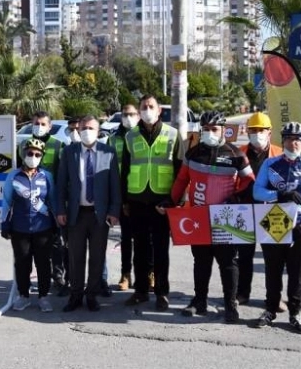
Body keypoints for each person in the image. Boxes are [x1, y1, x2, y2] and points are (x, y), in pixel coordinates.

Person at [170, 111, 255, 323]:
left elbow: (249, 182)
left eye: (214, 129)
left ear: (223, 130)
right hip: (198, 216)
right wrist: (171, 201)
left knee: (228, 263)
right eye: (206, 129)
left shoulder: (236, 154)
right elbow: (181, 180)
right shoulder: (193, 153)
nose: (210, 133)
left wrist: (237, 198)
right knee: (201, 262)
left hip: (225, 217)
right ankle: (200, 301)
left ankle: (230, 305)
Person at [253, 121, 301, 334]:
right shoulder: (270, 165)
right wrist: (279, 194)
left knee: (296, 274)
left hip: (300, 227)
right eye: (289, 138)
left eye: (298, 139)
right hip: (274, 224)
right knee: (272, 271)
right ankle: (270, 309)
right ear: (282, 140)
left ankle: (295, 313)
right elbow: (257, 192)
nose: (293, 143)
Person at [121, 95, 183, 311]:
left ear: (159, 111)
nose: (147, 110)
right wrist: (124, 201)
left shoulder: (173, 135)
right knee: (139, 249)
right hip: (136, 200)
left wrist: (172, 201)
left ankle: (161, 293)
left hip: (161, 203)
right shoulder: (130, 137)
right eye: (144, 107)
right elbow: (125, 171)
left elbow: (180, 172)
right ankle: (140, 291)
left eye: (151, 107)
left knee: (160, 250)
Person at [56, 116, 121, 312]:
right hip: (76, 215)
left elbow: (114, 185)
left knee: (97, 257)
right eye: (83, 127)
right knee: (75, 257)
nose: (86, 131)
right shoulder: (69, 152)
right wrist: (60, 209)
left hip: (98, 216)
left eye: (90, 128)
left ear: (98, 130)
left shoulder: (108, 152)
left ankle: (91, 295)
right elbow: (61, 184)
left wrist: (113, 211)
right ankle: (75, 295)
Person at [1, 138, 57, 312]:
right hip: (20, 228)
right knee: (22, 263)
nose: (33, 156)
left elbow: (53, 201)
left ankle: (43, 297)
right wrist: (4, 223)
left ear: (41, 157)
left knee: (43, 264)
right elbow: (6, 201)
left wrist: (57, 224)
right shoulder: (13, 175)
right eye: (29, 153)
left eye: (37, 154)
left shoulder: (47, 176)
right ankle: (24, 295)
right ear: (23, 154)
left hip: (43, 228)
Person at [236, 112, 283, 310]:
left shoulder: (280, 155)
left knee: (273, 258)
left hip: (273, 211)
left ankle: (275, 297)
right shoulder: (238, 153)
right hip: (245, 210)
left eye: (260, 130)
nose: (257, 134)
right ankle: (242, 293)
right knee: (244, 256)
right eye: (253, 130)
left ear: (269, 132)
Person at [20, 111, 69, 297]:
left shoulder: (58, 145)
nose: (38, 126)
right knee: (31, 243)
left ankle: (58, 277)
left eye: (42, 124)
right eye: (36, 123)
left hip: (52, 202)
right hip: (29, 201)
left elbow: (63, 176)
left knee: (56, 242)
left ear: (49, 126)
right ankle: (36, 279)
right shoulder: (23, 145)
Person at [108, 104, 144, 291]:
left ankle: (147, 274)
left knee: (145, 239)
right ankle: (125, 274)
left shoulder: (143, 136)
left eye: (132, 114)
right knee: (126, 238)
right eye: (125, 114)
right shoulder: (113, 139)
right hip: (121, 195)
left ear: (138, 116)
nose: (128, 117)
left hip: (141, 194)